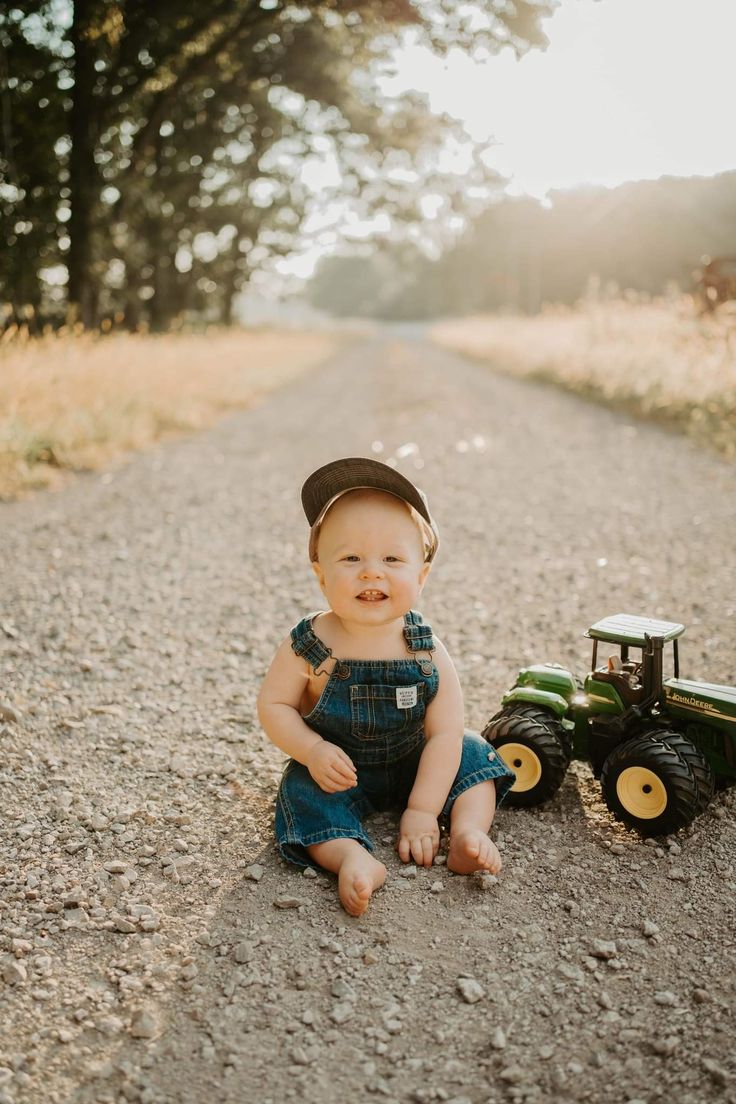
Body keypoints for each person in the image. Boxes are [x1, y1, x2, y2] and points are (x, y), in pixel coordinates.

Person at [257, 457, 515, 917]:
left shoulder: (426, 648)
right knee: (299, 789)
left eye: (392, 559)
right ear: (319, 573)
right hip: (339, 772)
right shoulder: (309, 645)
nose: (371, 572)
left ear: (422, 575)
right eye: (351, 558)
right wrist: (312, 750)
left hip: (420, 762)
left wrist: (421, 810)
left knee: (474, 752)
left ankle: (468, 832)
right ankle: (350, 857)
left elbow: (444, 733)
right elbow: (274, 706)